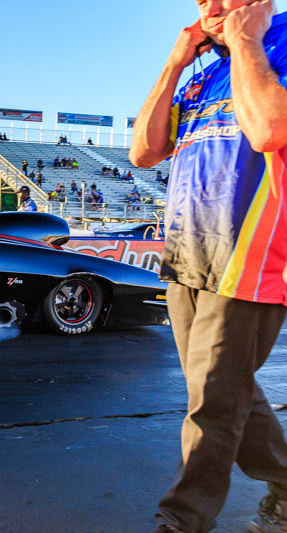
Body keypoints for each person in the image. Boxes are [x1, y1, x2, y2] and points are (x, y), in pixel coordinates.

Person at [129, 1, 287, 531]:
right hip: (187, 255)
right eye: (201, 2)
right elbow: (143, 153)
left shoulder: (279, 43)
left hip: (249, 259)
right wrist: (174, 63)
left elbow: (270, 130)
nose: (212, 9)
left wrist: (246, 41)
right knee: (225, 391)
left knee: (214, 405)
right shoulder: (204, 70)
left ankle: (181, 521)